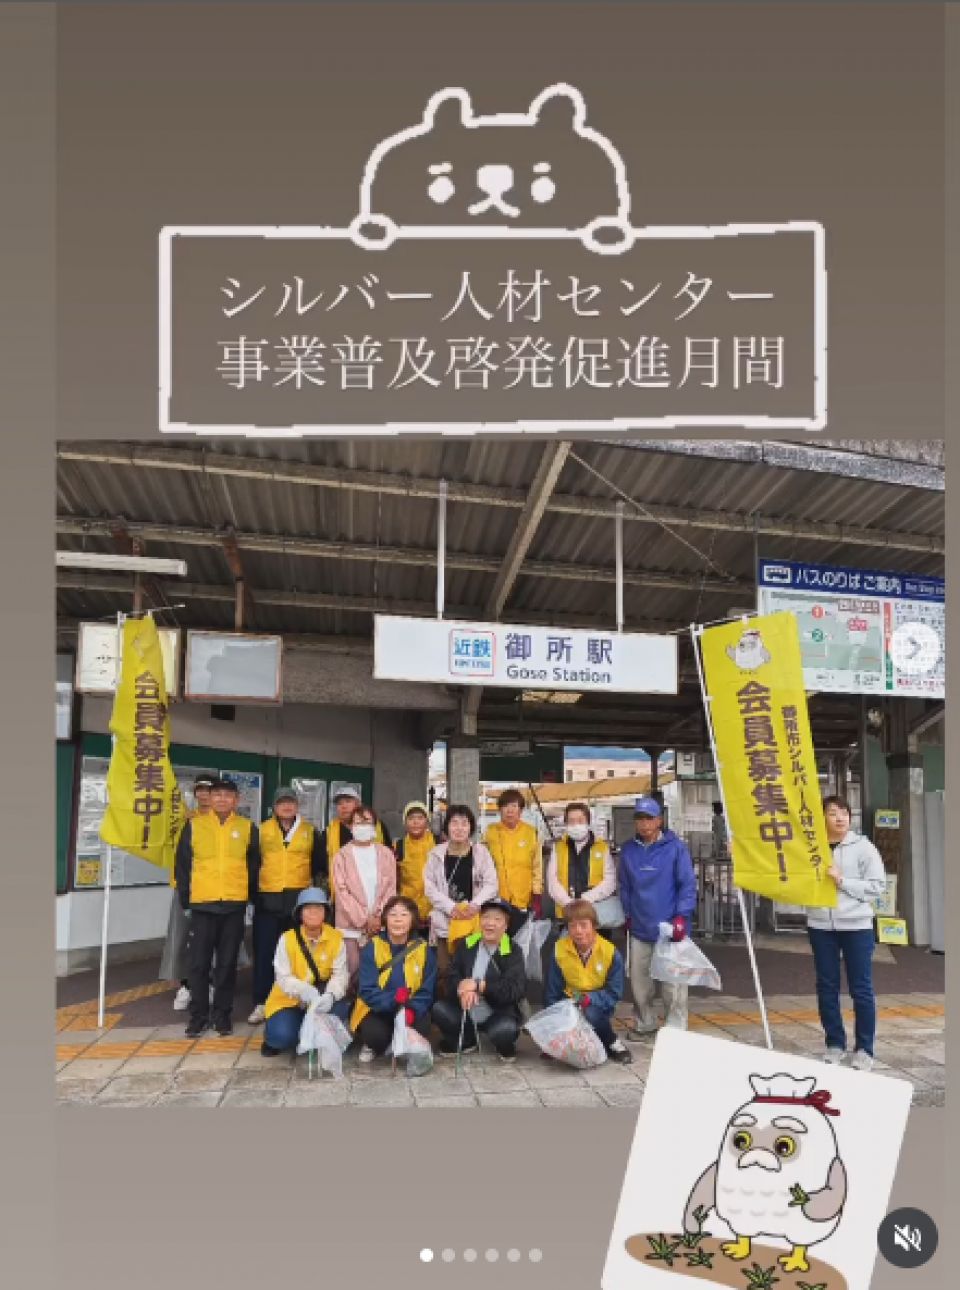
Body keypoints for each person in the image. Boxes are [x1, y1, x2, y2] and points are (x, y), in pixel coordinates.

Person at [806, 795, 887, 1071]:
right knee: (826, 986)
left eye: (844, 812)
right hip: (820, 926)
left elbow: (877, 886)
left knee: (860, 988)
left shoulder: (864, 848)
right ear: (822, 818)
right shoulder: (812, 848)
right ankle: (834, 1044)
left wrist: (842, 881)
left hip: (857, 926)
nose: (840, 818)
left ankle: (864, 1049)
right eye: (832, 813)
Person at [175, 776, 260, 1038]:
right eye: (217, 795)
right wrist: (187, 901)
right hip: (203, 905)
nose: (222, 799)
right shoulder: (194, 826)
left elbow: (254, 866)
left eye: (228, 795)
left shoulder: (247, 828)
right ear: (209, 799)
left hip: (233, 906)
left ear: (236, 800)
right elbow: (183, 866)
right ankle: (198, 1017)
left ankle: (222, 1015)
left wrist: (250, 899)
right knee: (198, 965)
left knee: (227, 964)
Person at [247, 786, 326, 1026]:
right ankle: (262, 1001)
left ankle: (297, 998)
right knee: (265, 952)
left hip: (298, 901)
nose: (287, 806)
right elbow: (252, 864)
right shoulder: (261, 830)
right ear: (274, 807)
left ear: (297, 805)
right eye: (282, 803)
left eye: (291, 802)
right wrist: (254, 896)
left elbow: (318, 867)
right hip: (267, 899)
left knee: (298, 952)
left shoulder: (310, 831)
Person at [619, 795, 697, 1037]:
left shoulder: (675, 848)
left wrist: (682, 916)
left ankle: (676, 1028)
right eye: (639, 819)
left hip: (671, 928)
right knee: (640, 982)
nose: (644, 824)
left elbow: (687, 885)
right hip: (640, 927)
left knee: (673, 983)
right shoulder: (628, 850)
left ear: (659, 820)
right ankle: (646, 1022)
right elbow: (625, 886)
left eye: (649, 818)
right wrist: (627, 913)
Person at [432, 898, 527, 1061]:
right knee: (439, 1009)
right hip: (466, 1011)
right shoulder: (467, 944)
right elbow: (451, 975)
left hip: (497, 1013)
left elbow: (514, 989)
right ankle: (467, 1040)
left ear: (506, 926)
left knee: (504, 1029)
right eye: (486, 917)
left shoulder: (513, 951)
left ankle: (502, 1045)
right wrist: (462, 988)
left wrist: (480, 986)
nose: (490, 923)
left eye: (497, 919)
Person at [261, 887, 351, 1056]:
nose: (313, 912)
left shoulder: (336, 938)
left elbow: (340, 974)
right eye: (308, 908)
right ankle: (273, 1032)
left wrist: (331, 995)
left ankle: (311, 1029)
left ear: (325, 913)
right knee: (282, 1037)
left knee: (339, 1012)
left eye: (319, 908)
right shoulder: (287, 939)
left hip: (322, 997)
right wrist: (303, 990)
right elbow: (283, 977)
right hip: (290, 1000)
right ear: (300, 913)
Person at [350, 895, 438, 1064]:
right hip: (378, 1009)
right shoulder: (372, 947)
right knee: (375, 1036)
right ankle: (379, 1045)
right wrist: (393, 1000)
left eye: (404, 914)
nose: (398, 920)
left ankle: (401, 1042)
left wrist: (411, 1009)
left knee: (421, 1028)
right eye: (393, 914)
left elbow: (428, 990)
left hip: (410, 1009)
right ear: (385, 919)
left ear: (413, 920)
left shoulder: (423, 949)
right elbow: (367, 989)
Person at [543, 899, 632, 1064]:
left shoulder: (610, 952)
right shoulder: (559, 949)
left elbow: (614, 993)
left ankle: (612, 1042)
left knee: (590, 1013)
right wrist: (554, 1022)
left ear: (594, 925)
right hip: (569, 1002)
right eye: (572, 926)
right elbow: (552, 991)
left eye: (583, 925)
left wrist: (590, 999)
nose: (578, 931)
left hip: (598, 1005)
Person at [424, 804, 498, 996]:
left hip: (473, 921)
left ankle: (471, 1007)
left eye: (464, 823)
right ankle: (445, 1008)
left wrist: (475, 904)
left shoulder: (481, 853)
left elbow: (492, 884)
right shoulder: (435, 854)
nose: (459, 828)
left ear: (471, 827)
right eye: (454, 823)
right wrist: (451, 907)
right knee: (444, 969)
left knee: (471, 966)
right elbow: (429, 887)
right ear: (447, 827)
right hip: (445, 920)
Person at [161, 773, 215, 1011]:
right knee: (183, 937)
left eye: (208, 790)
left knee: (211, 939)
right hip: (185, 888)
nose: (203, 794)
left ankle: (209, 983)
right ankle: (186, 985)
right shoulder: (186, 820)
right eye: (199, 790)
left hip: (213, 889)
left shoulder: (223, 821)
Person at [331, 804, 397, 987]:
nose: (362, 826)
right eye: (357, 822)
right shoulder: (341, 856)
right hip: (350, 926)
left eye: (367, 821)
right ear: (351, 826)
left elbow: (391, 888)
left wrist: (378, 917)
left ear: (375, 825)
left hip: (379, 925)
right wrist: (363, 918)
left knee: (380, 971)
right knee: (351, 972)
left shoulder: (385, 854)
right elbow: (341, 892)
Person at [546, 801, 616, 923]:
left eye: (580, 820)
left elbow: (610, 881)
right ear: (566, 824)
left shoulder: (601, 847)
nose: (576, 825)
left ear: (588, 822)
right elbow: (552, 880)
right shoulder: (558, 847)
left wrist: (586, 899)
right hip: (566, 913)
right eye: (571, 821)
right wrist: (568, 903)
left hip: (595, 912)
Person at [484, 788, 543, 921]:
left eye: (514, 806)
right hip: (496, 898)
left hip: (523, 899)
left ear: (520, 810)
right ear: (499, 809)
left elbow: (537, 866)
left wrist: (537, 894)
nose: (509, 810)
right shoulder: (490, 832)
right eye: (505, 806)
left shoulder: (531, 832)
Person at [319, 786, 392, 888]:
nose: (343, 806)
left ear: (358, 804)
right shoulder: (329, 832)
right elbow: (322, 864)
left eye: (348, 801)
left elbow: (389, 858)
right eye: (339, 803)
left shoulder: (377, 827)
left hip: (373, 886)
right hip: (341, 888)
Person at [394, 800, 436, 941]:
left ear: (427, 821)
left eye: (420, 818)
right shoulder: (399, 846)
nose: (416, 822)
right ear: (405, 823)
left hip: (435, 910)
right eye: (411, 818)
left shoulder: (438, 842)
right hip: (408, 909)